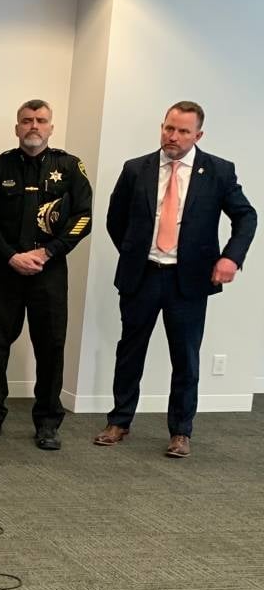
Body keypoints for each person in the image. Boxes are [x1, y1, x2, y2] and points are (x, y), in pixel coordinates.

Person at [94, 101, 256, 459]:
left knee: (185, 358)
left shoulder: (218, 171)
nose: (174, 136)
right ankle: (119, 421)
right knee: (130, 351)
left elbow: (246, 216)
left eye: (183, 131)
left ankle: (181, 431)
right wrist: (135, 253)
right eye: (169, 128)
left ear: (198, 135)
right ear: (162, 127)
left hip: (188, 281)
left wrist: (231, 257)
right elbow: (115, 219)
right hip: (142, 276)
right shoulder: (136, 169)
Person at [0, 100, 92, 451]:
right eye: (26, 121)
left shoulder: (70, 167)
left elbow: (83, 217)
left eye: (41, 120)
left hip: (48, 271)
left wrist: (48, 252)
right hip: (6, 270)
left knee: (51, 348)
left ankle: (48, 423)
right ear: (17, 128)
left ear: (51, 127)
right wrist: (11, 255)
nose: (33, 126)